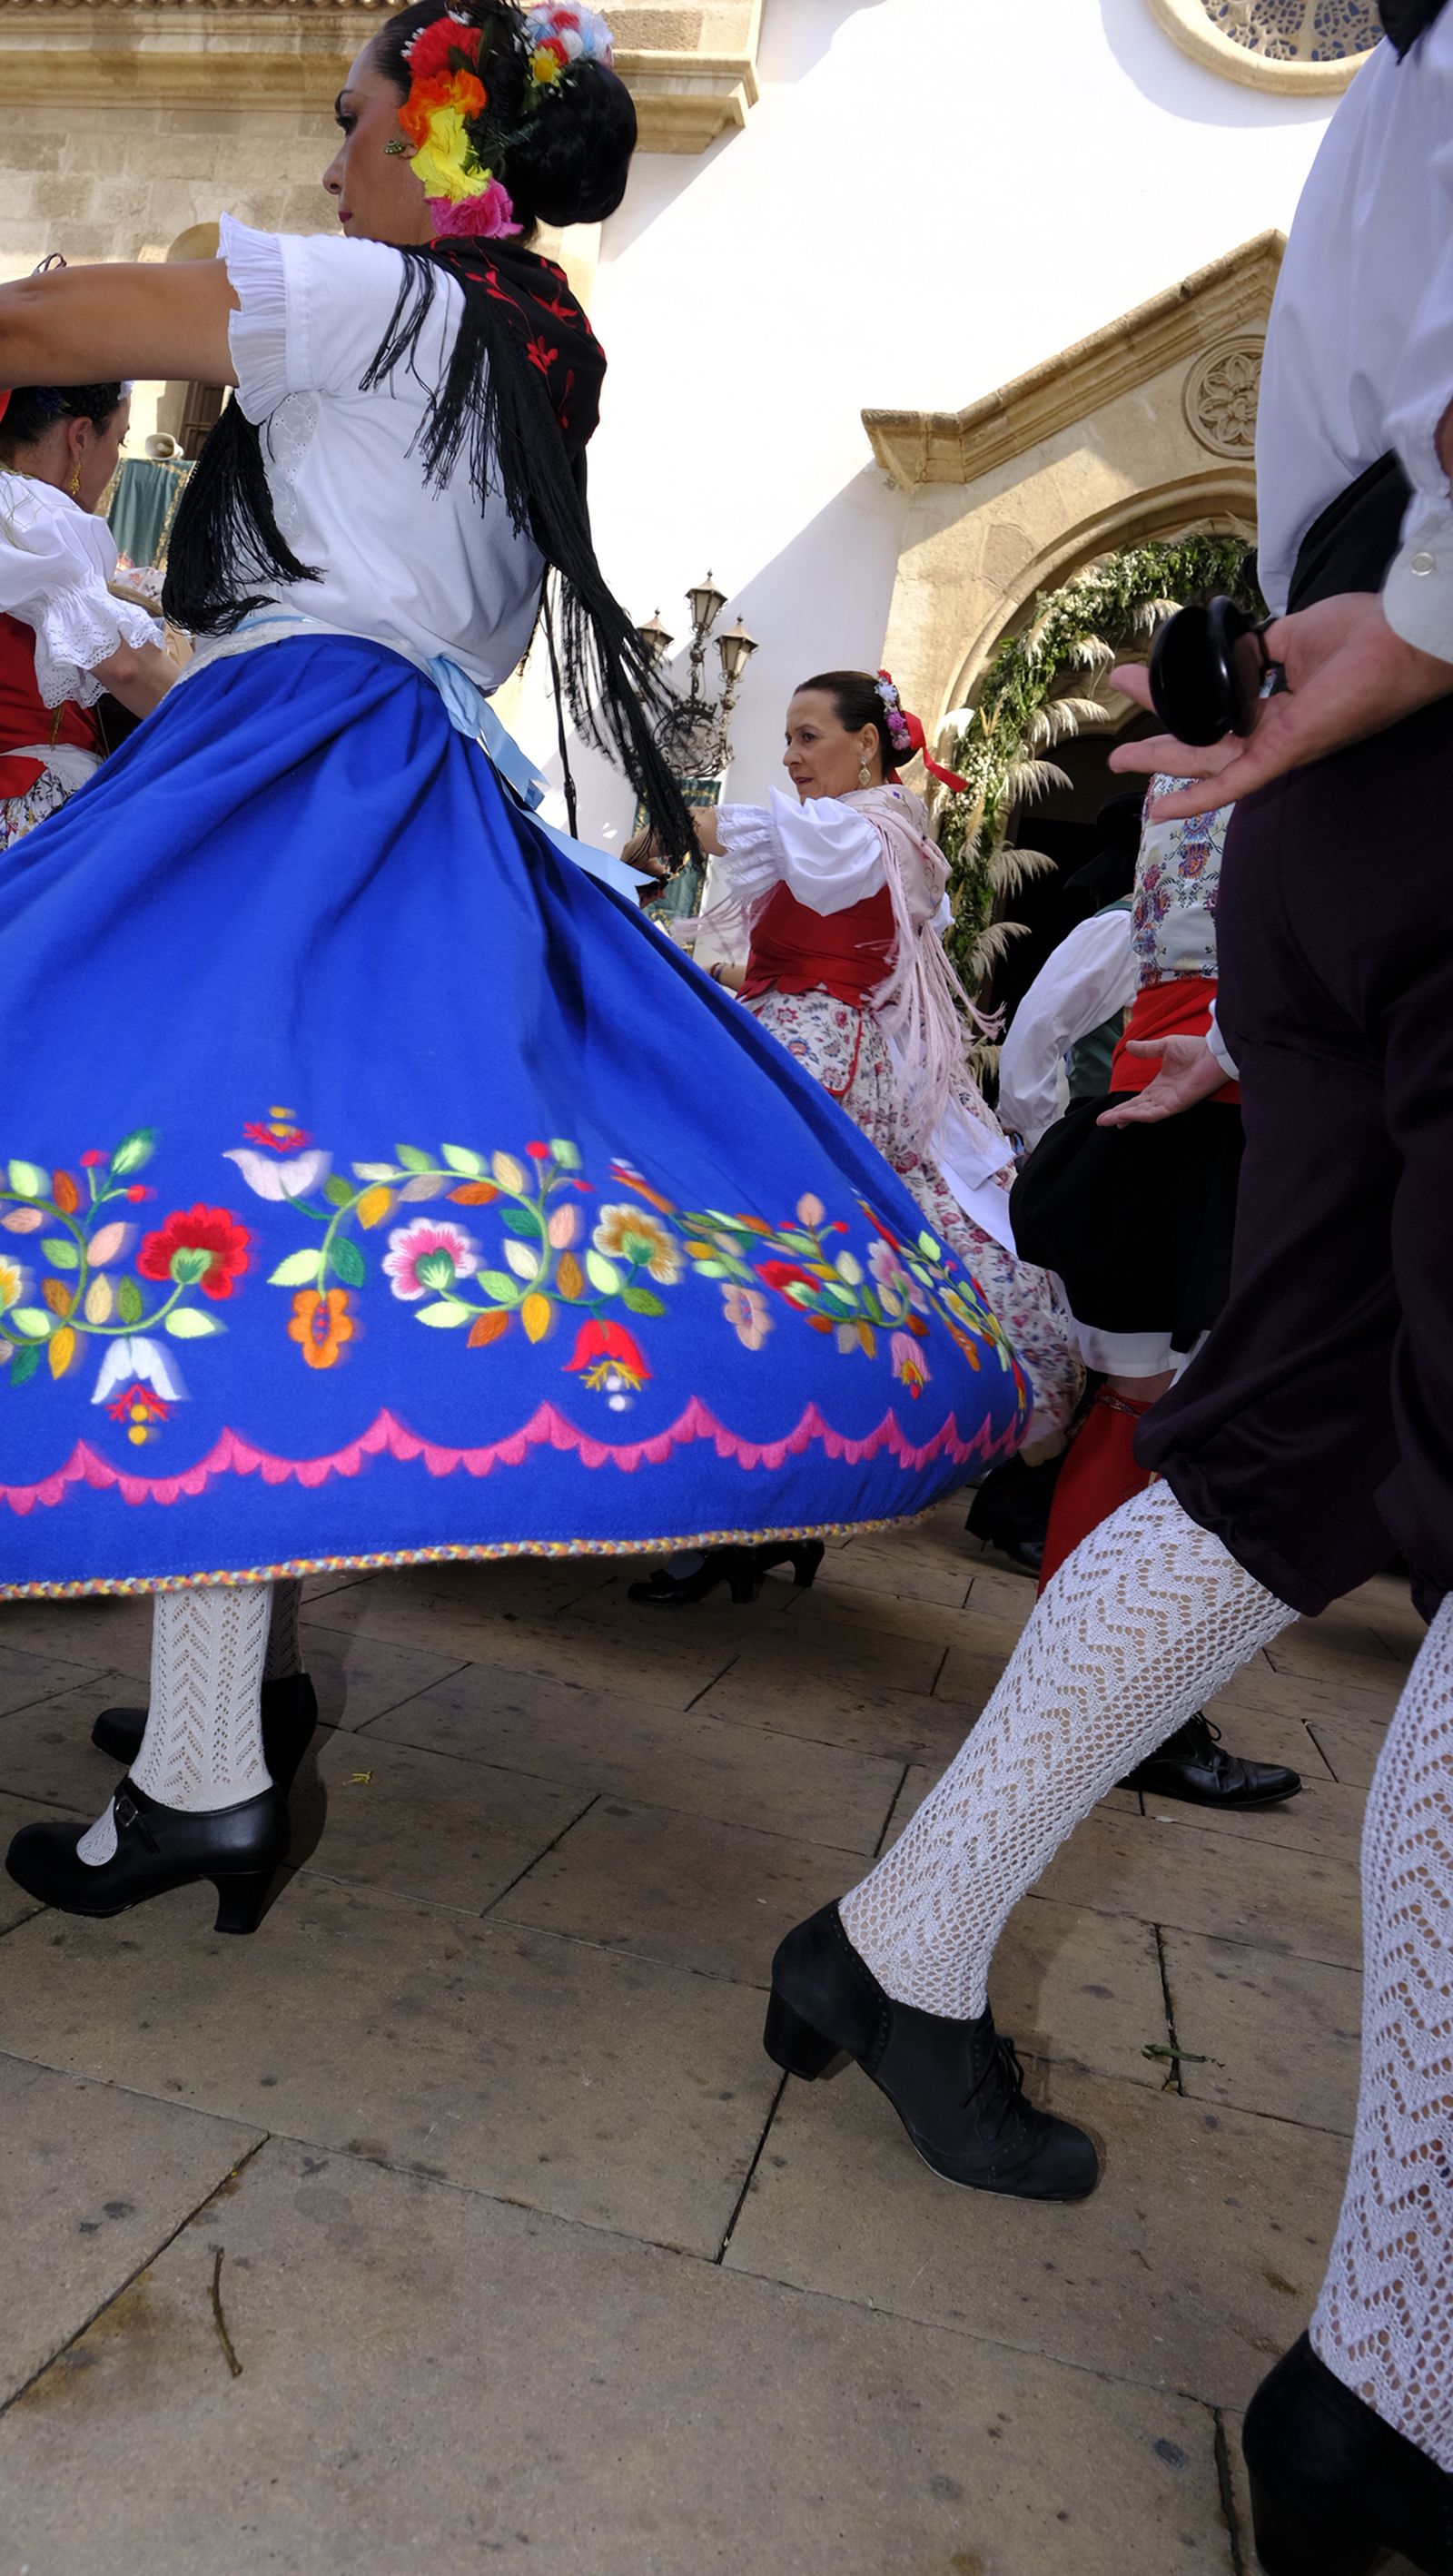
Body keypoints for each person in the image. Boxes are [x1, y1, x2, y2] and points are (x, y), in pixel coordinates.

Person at [0, 0, 1027, 1937]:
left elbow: (44, 334)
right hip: (404, 772)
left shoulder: (377, 303)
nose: (328, 161)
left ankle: (213, 1760)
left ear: (441, 145)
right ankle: (211, 1752)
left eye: (352, 121)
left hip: (291, 757)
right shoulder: (523, 352)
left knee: (153, 1160)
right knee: (248, 1205)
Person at [765, 11, 1453, 2569]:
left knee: (1272, 1450)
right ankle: (1399, 2381)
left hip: (1351, 803)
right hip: (1413, 726)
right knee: (1265, 1435)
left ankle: (893, 1941)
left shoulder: (1404, 91)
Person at [623, 667, 1083, 1608]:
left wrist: (659, 832)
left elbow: (747, 837)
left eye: (806, 736)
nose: (790, 757)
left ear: (866, 741)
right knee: (780, 1287)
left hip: (819, 1064)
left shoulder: (866, 828)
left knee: (767, 1274)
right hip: (801, 1044)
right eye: (786, 740)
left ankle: (746, 1514)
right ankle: (755, 1516)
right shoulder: (865, 830)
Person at [1000, 782, 1300, 1810]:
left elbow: (1040, 1025)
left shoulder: (1182, 805)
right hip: (1229, 1144)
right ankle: (1128, 1709)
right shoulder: (1310, 796)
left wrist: (1046, 1138)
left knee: (1140, 1413)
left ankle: (1081, 1696)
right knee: (1181, 1429)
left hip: (1154, 1137)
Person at [0, 379, 176, 849]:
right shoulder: (33, 520)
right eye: (118, 440)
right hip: (27, 805)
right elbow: (126, 667)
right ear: (79, 438)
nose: (116, 459)